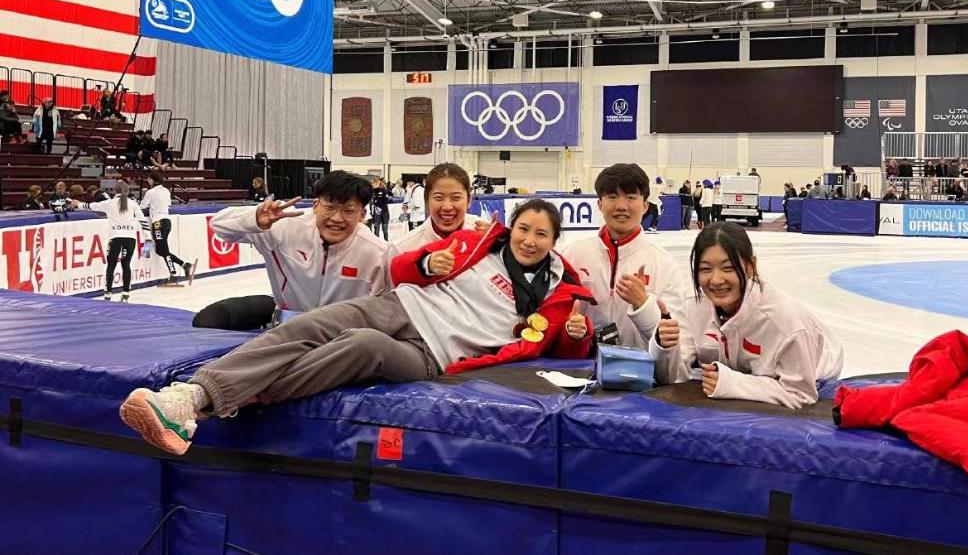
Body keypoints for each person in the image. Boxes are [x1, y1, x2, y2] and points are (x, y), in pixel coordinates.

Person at [120, 199, 595, 456]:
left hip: (434, 354)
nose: (529, 240)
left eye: (541, 234)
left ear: (555, 241)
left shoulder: (559, 292)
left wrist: (578, 337)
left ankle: (221, 398)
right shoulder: (478, 244)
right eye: (524, 229)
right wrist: (427, 264)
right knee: (312, 326)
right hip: (404, 306)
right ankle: (188, 398)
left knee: (359, 347)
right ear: (511, 228)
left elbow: (563, 350)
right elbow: (401, 268)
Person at [652, 222, 843, 408]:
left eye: (728, 268)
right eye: (705, 269)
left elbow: (801, 394)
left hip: (818, 368)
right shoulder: (692, 306)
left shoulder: (785, 322)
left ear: (751, 266)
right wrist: (664, 347)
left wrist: (732, 383)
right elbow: (675, 376)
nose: (716, 280)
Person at [210, 170, 389, 312]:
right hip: (288, 328)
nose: (336, 218)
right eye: (329, 208)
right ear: (316, 206)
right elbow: (218, 226)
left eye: (348, 211)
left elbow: (383, 309)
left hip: (344, 336)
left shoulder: (377, 253)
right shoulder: (285, 227)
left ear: (362, 215)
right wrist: (254, 219)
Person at [562, 164, 686, 350]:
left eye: (631, 197)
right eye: (612, 197)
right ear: (599, 204)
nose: (621, 206)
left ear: (645, 205)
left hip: (643, 366)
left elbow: (675, 345)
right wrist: (569, 331)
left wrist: (643, 306)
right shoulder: (573, 255)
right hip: (581, 364)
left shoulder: (665, 265)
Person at [392, 164, 486, 255]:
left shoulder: (487, 238)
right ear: (427, 200)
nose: (447, 207)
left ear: (469, 200)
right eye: (439, 198)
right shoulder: (403, 249)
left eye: (456, 198)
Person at [82, 181, 145, 302]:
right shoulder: (133, 203)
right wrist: (148, 238)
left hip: (116, 237)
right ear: (127, 190)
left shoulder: (109, 203)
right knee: (126, 265)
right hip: (130, 238)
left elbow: (91, 206)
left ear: (115, 190)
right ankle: (126, 294)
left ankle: (107, 294)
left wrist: (77, 204)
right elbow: (143, 221)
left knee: (111, 266)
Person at [140, 172, 192, 284]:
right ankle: (184, 265)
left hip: (158, 223)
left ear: (152, 180)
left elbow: (142, 206)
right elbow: (168, 205)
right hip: (167, 222)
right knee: (161, 250)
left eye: (149, 179)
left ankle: (173, 274)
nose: (148, 181)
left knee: (163, 250)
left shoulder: (150, 192)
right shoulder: (166, 191)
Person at [369, 176, 391, 240]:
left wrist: (380, 207)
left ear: (377, 183)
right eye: (372, 184)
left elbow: (386, 201)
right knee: (376, 229)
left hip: (384, 212)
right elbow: (372, 201)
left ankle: (386, 242)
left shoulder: (384, 190)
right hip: (376, 212)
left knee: (385, 229)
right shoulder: (372, 191)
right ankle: (376, 243)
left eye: (373, 183)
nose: (372, 185)